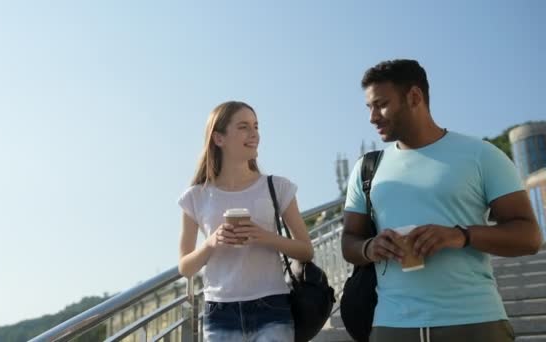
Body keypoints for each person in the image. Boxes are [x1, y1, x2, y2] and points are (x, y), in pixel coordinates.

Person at [342, 59, 543, 342]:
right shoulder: (367, 169)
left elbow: (529, 236)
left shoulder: (481, 155)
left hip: (475, 322)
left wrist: (460, 236)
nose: (373, 117)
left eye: (381, 104)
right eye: (369, 107)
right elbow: (349, 240)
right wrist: (369, 246)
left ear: (414, 97)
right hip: (392, 325)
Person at [178, 101, 314, 342]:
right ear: (219, 139)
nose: (254, 134)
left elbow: (306, 250)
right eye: (243, 127)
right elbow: (185, 267)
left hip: (272, 307)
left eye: (256, 126)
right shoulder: (195, 197)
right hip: (219, 313)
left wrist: (265, 236)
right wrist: (211, 243)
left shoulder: (278, 187)